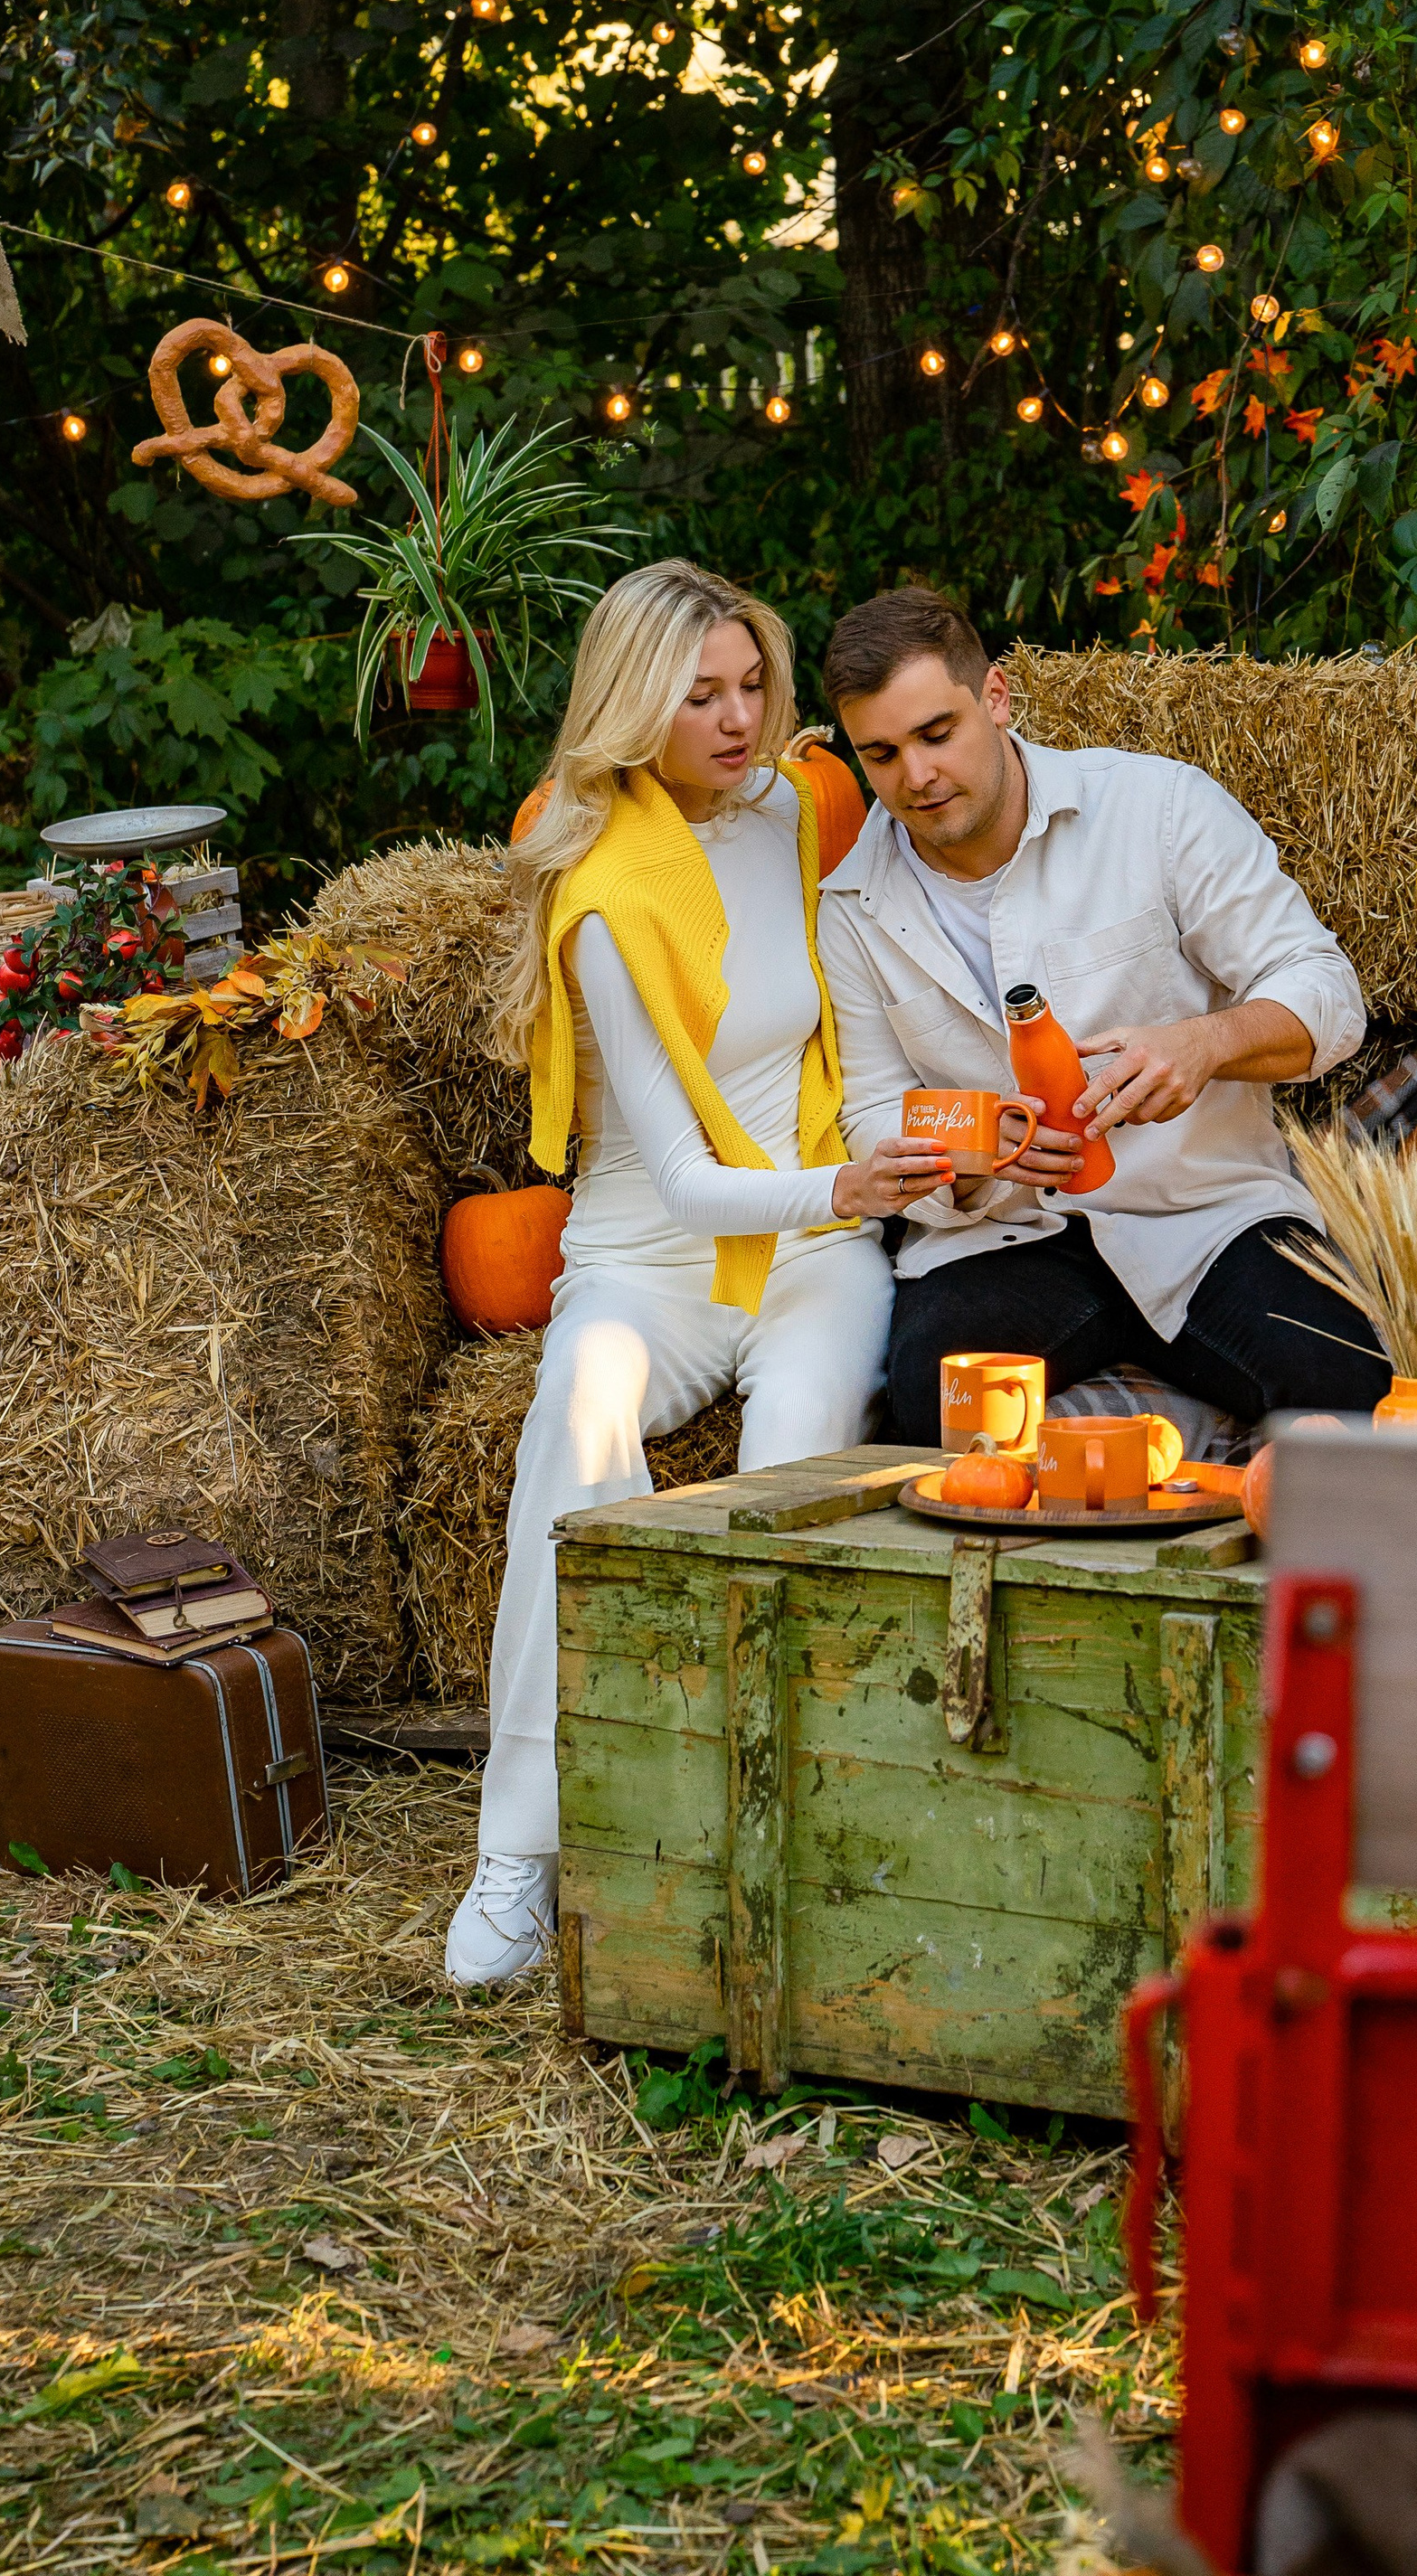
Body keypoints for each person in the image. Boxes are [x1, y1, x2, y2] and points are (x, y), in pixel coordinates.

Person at [449, 561, 948, 1986]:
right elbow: (676, 1178)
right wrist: (849, 1183)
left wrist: (859, 1183)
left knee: (799, 1455)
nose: (736, 721)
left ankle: (766, 1825)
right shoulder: (599, 888)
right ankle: (521, 1851)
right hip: (650, 1257)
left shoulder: (800, 813)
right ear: (631, 706)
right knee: (576, 1432)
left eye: (749, 687)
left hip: (808, 1248)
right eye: (699, 696)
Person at [814, 586, 1390, 1446]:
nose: (918, 776)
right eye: (883, 753)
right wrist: (969, 1171)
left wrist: (1204, 1044)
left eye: (938, 734)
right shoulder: (852, 905)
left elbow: (1326, 990)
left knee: (1356, 1390)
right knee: (931, 1404)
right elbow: (870, 1113)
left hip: (1202, 1214)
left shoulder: (1158, 809)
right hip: (1005, 1238)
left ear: (997, 698)